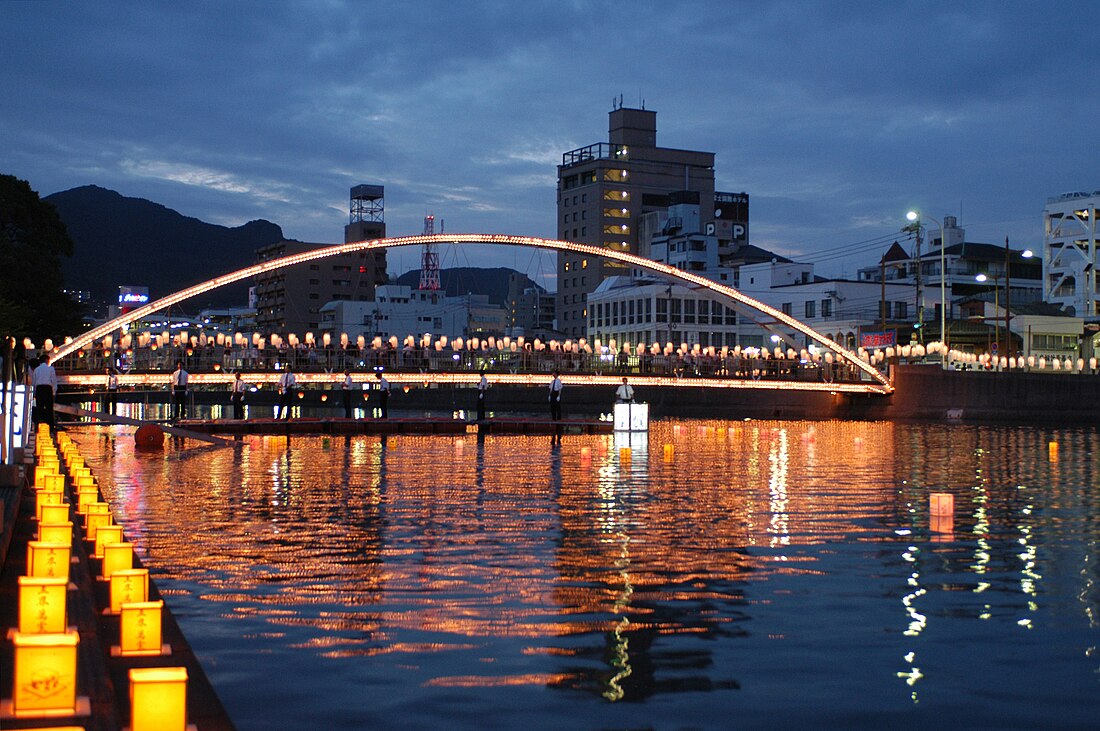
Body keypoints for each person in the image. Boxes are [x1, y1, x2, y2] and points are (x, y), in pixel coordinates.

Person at [31, 357, 58, 428]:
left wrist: (34, 393)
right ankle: (51, 427)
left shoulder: (36, 370)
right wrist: (54, 392)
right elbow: (54, 381)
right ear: (46, 360)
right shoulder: (51, 369)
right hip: (47, 388)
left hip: (39, 389)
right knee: (49, 409)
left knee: (39, 408)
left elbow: (34, 382)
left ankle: (39, 426)